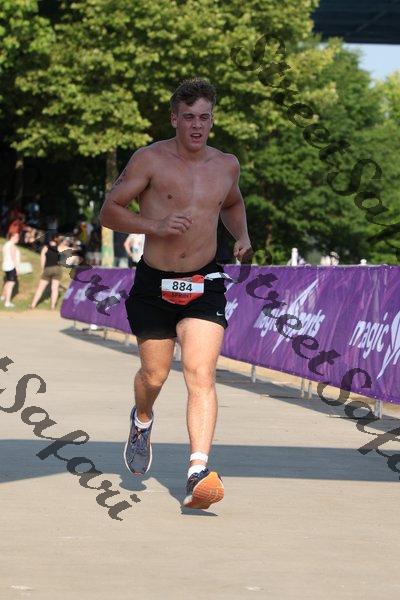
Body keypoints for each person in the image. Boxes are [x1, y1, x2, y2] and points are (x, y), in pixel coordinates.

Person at [99, 78, 253, 510]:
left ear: (212, 120)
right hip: (155, 284)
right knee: (154, 376)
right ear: (174, 119)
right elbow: (109, 211)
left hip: (205, 282)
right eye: (189, 118)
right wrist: (155, 226)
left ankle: (197, 472)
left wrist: (241, 236)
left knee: (201, 374)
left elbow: (233, 204)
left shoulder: (226, 165)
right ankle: (142, 418)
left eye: (204, 117)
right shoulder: (149, 159)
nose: (197, 125)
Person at [30, 233, 68, 310]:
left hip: (48, 268)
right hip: (57, 269)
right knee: (55, 288)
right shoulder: (60, 248)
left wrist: (43, 269)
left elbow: (42, 259)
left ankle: (33, 305)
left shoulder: (46, 247)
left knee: (40, 288)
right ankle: (52, 306)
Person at [1, 232, 21, 308]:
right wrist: (17, 268)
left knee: (8, 282)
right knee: (11, 284)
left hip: (6, 266)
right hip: (11, 267)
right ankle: (7, 302)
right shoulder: (11, 245)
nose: (18, 239)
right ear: (12, 237)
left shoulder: (6, 244)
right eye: (17, 237)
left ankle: (3, 297)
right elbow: (13, 257)